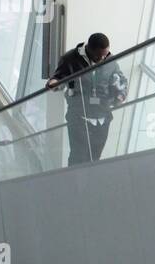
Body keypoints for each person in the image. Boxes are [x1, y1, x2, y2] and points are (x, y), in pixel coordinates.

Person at [47, 33, 128, 166]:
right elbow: (59, 78)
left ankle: (89, 185)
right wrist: (54, 83)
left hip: (103, 118)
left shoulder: (109, 60)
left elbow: (120, 81)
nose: (102, 58)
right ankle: (74, 184)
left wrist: (120, 95)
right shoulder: (70, 58)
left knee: (95, 157)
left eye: (105, 54)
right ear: (89, 49)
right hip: (79, 117)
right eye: (99, 55)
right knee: (78, 156)